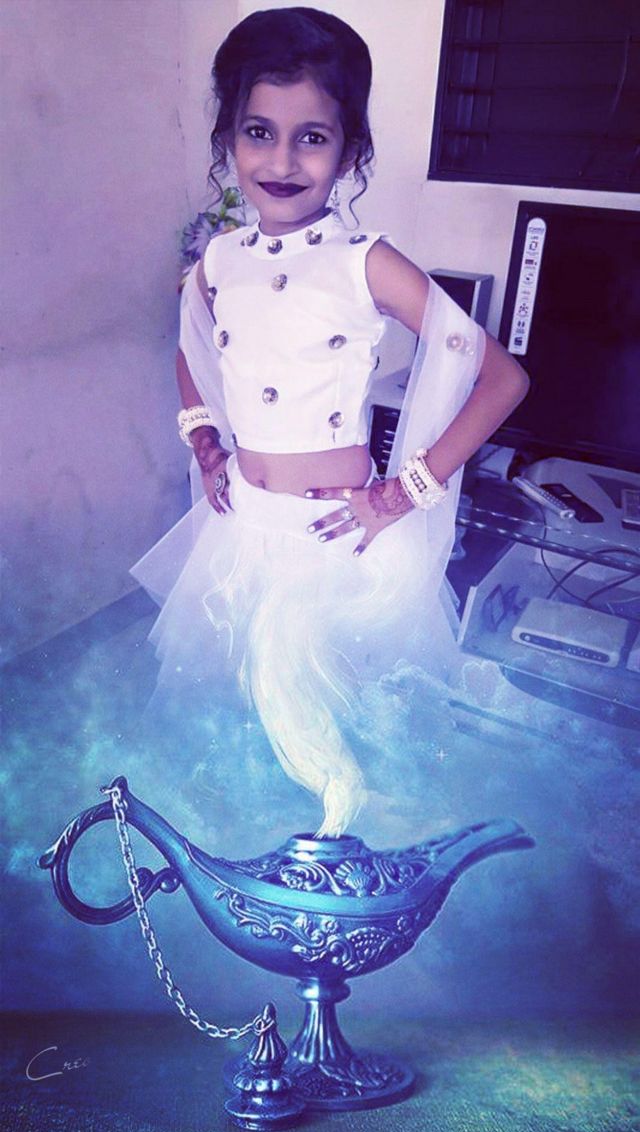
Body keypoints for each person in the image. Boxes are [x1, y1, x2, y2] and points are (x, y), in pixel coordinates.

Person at [132, 7, 529, 839]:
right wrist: (204, 441)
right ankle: (256, 854)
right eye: (259, 133)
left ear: (350, 152)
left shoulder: (364, 263)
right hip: (241, 532)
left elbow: (500, 377)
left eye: (311, 138)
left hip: (333, 541)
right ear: (227, 140)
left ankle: (338, 859)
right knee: (236, 724)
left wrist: (404, 491)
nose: (281, 162)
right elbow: (190, 348)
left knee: (327, 742)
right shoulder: (219, 259)